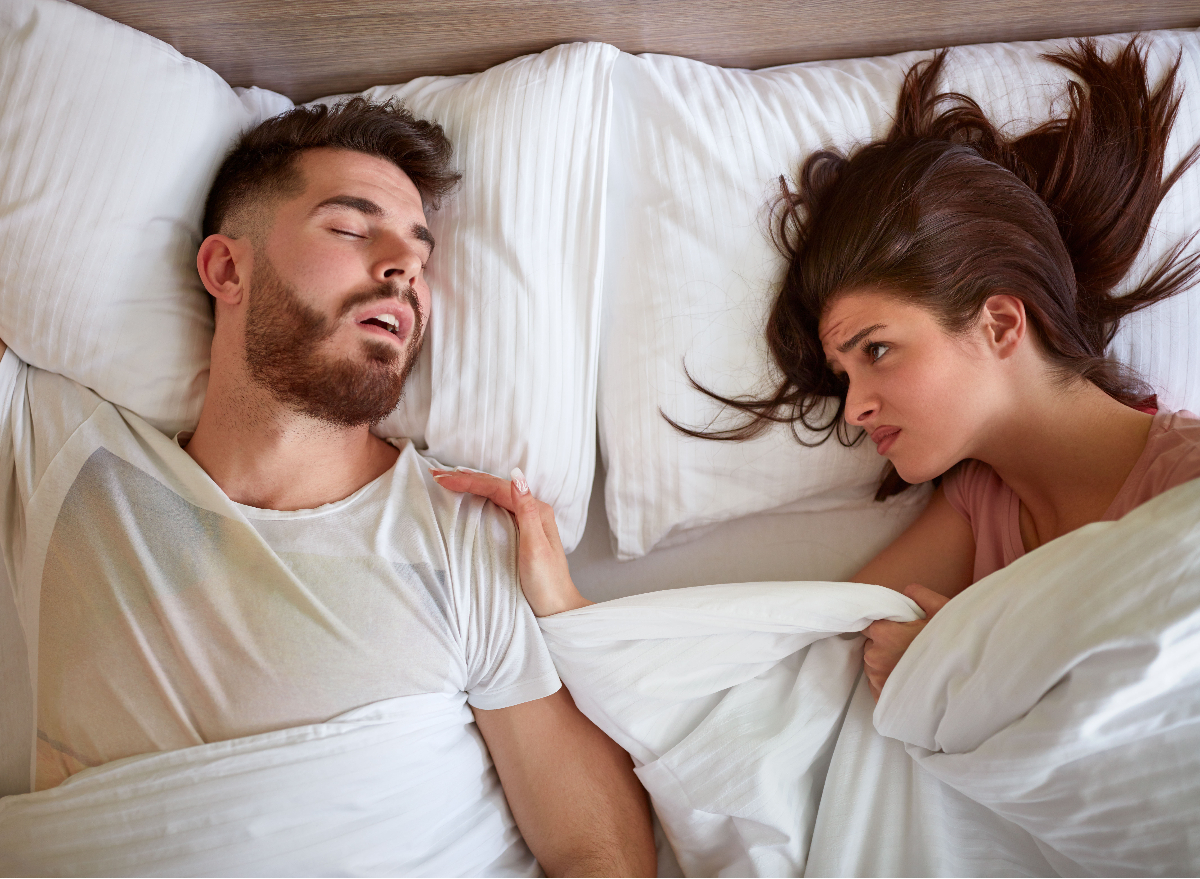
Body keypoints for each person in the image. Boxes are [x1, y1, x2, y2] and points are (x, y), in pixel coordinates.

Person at [0, 98, 654, 876]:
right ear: (226, 268)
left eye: (420, 252)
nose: (404, 269)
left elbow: (601, 853)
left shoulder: (458, 529)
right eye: (350, 228)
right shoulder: (66, 452)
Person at [442, 39, 1200, 703]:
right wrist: (565, 606)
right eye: (844, 375)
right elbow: (777, 665)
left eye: (876, 350)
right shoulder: (979, 503)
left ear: (999, 323)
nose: (853, 410)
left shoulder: (1185, 485)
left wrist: (977, 668)